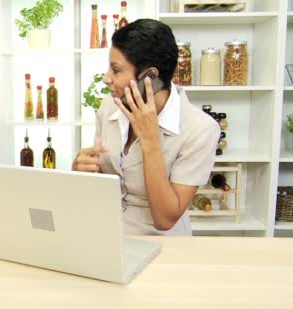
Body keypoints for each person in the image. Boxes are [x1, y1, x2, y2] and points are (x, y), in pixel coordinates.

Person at [72, 19, 220, 235]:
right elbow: (104, 183)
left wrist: (150, 140)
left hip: (163, 245)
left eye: (115, 70)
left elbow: (165, 218)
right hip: (106, 233)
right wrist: (82, 171)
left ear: (150, 77)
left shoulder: (200, 129)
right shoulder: (110, 105)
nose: (106, 79)